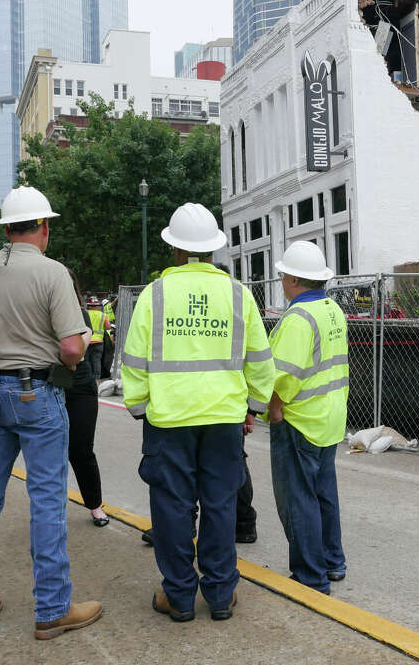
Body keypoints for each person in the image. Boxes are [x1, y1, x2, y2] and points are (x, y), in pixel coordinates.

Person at [0, 186, 102, 640]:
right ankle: (53, 609)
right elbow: (74, 346)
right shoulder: (53, 273)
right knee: (48, 501)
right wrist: (64, 359)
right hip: (37, 392)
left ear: (6, 228)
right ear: (44, 228)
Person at [122, 203, 275, 622]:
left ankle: (179, 596)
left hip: (169, 421)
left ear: (174, 249)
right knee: (221, 504)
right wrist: (253, 409)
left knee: (172, 508)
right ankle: (222, 594)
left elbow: (133, 360)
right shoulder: (239, 295)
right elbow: (261, 361)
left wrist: (139, 407)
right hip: (224, 419)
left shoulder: (154, 295)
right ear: (213, 251)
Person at [267, 241, 349, 594]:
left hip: (299, 419)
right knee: (324, 494)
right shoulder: (333, 309)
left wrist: (273, 406)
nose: (282, 280)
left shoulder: (298, 319)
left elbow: (284, 374)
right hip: (330, 417)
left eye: (284, 274)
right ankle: (333, 562)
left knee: (299, 498)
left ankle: (310, 576)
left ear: (295, 279)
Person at [66, 270, 109, 528]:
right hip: (51, 383)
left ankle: (95, 505)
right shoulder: (38, 312)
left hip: (79, 386)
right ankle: (51, 509)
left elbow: (76, 354)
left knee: (81, 450)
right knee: (50, 453)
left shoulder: (80, 313)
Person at [85, 297, 104, 380]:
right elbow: (107, 326)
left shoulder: (85, 313)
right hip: (98, 342)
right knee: (96, 360)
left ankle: (88, 378)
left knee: (87, 360)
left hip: (86, 341)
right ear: (97, 306)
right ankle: (97, 379)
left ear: (88, 306)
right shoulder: (102, 315)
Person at [100, 297, 115, 379]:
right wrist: (118, 297)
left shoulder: (103, 310)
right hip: (109, 323)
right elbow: (113, 303)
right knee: (107, 358)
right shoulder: (108, 306)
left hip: (100, 340)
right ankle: (105, 373)